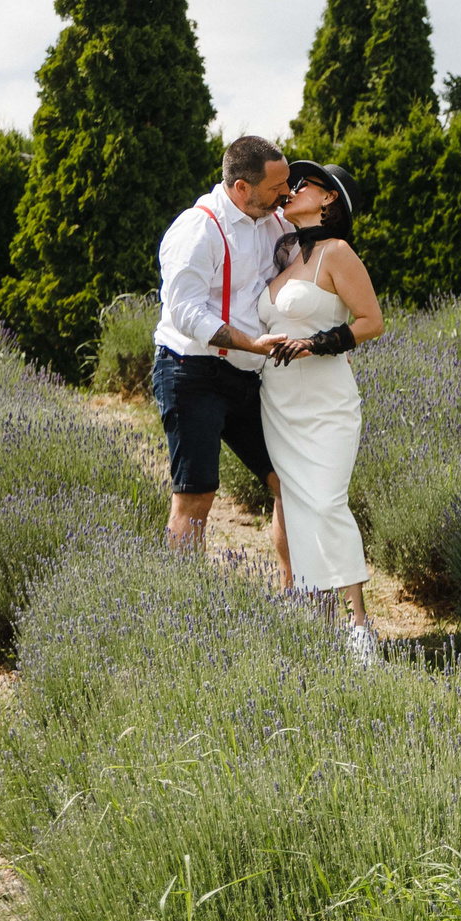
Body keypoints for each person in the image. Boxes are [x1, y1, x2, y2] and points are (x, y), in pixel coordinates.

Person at [152, 136, 298, 576]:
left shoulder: (275, 220)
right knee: (196, 496)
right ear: (241, 188)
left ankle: (298, 598)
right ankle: (178, 605)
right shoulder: (197, 229)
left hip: (247, 376)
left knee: (289, 484)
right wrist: (250, 344)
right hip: (190, 372)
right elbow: (186, 311)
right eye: (276, 187)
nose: (285, 194)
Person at [258, 158, 383, 660]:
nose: (289, 191)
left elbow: (372, 321)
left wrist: (315, 343)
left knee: (328, 502)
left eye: (301, 185)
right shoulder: (284, 258)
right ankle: (313, 617)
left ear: (328, 198)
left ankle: (359, 627)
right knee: (295, 504)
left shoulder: (337, 252)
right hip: (279, 404)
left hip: (327, 405)